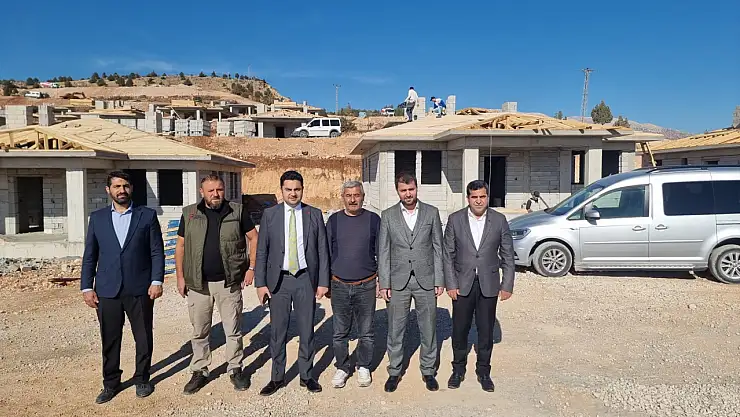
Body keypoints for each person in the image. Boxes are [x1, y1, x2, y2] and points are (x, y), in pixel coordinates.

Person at [80, 170, 164, 404]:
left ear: (131, 188)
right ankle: (111, 383)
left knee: (143, 336)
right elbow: (90, 256)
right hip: (107, 289)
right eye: (117, 186)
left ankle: (142, 379)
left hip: (140, 288)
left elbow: (156, 251)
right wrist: (86, 287)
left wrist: (156, 280)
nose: (122, 190)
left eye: (125, 186)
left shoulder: (147, 216)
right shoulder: (97, 218)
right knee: (110, 339)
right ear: (108, 190)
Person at [175, 174, 259, 394]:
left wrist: (251, 267)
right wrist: (180, 277)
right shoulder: (189, 214)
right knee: (200, 331)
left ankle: (235, 368)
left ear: (224, 190)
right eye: (210, 190)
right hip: (198, 285)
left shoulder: (237, 211)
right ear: (202, 192)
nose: (215, 194)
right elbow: (180, 246)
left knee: (233, 330)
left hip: (228, 283)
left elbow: (254, 238)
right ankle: (200, 370)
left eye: (219, 189)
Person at [254, 170, 330, 396]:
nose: (293, 193)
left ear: (302, 189)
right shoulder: (270, 215)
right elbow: (262, 251)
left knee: (307, 330)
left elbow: (322, 250)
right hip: (279, 281)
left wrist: (323, 281)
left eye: (297, 189)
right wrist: (260, 283)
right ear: (282, 190)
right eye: (288, 189)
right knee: (278, 332)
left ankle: (307, 376)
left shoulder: (314, 214)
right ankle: (277, 377)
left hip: (305, 279)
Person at [443, 180, 515, 392]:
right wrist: (450, 284)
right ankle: (458, 370)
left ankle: (484, 372)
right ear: (468, 198)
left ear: (487, 197)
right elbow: (448, 255)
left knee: (485, 331)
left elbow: (507, 255)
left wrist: (507, 284)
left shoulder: (499, 220)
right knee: (460, 330)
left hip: (489, 283)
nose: (478, 201)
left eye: (482, 196)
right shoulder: (455, 219)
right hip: (462, 284)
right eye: (474, 197)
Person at [378, 172, 444, 393]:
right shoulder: (387, 215)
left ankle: (428, 370)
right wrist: (384, 283)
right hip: (398, 281)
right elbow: (384, 251)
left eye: (411, 189)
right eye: (403, 190)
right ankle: (394, 371)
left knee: (428, 328)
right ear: (398, 191)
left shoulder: (431, 213)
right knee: (395, 329)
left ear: (417, 189)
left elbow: (438, 248)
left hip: (426, 279)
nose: (408, 194)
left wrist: (439, 279)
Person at [326, 181, 381, 388]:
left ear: (363, 197)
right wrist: (325, 282)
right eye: (348, 195)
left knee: (366, 332)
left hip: (366, 284)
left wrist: (381, 280)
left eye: (356, 195)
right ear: (342, 197)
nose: (352, 199)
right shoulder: (333, 221)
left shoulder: (373, 220)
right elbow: (326, 253)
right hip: (339, 284)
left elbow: (381, 251)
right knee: (340, 332)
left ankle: (364, 366)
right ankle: (342, 367)